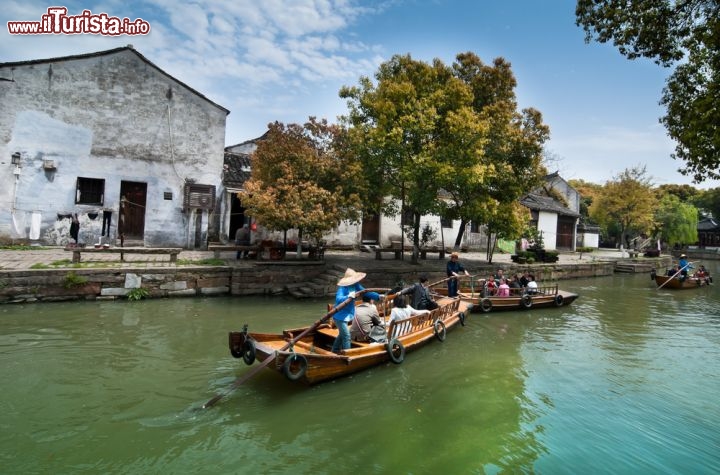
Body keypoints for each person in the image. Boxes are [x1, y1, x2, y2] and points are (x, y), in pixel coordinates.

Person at [332, 268, 368, 353]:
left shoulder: (356, 285)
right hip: (339, 316)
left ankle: (335, 349)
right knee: (347, 336)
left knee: (342, 334)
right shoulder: (342, 288)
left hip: (347, 315)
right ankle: (348, 354)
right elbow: (338, 299)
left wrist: (377, 296)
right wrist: (349, 296)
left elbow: (365, 291)